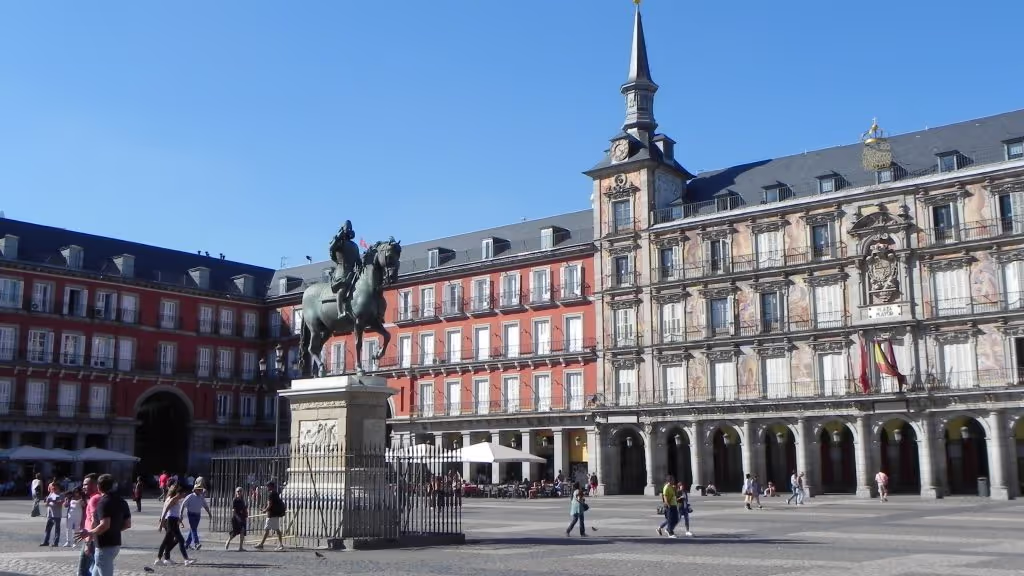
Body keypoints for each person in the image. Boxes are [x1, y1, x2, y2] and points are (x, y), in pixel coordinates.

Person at [77, 474, 131, 576]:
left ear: (98, 486)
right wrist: (114, 530)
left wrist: (89, 533)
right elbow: (127, 524)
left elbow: (104, 525)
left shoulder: (103, 502)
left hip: (103, 546)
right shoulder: (122, 501)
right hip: (115, 544)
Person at [329, 220, 362, 320]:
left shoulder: (355, 246)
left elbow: (358, 260)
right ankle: (340, 312)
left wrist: (360, 267)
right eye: (347, 229)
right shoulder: (339, 244)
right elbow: (331, 249)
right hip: (341, 273)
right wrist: (337, 237)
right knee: (342, 290)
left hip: (352, 273)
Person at [156, 486, 193, 565]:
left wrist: (179, 520)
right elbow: (166, 510)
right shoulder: (173, 499)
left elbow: (174, 512)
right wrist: (161, 523)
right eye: (183, 493)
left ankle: (160, 558)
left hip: (173, 521)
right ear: (179, 493)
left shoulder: (175, 499)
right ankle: (186, 559)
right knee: (179, 540)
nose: (184, 495)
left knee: (168, 540)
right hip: (171, 521)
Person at [77, 473, 100, 576]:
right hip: (95, 539)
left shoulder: (95, 499)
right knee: (94, 570)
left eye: (86, 484)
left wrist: (88, 543)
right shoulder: (98, 497)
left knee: (83, 572)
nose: (83, 487)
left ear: (96, 485)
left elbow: (93, 521)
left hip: (92, 539)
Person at [255, 482, 286, 551]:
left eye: (267, 486)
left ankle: (262, 544)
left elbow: (270, 505)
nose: (267, 488)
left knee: (268, 529)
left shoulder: (271, 494)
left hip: (271, 514)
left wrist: (264, 510)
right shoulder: (276, 493)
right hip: (275, 514)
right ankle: (263, 544)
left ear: (271, 486)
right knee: (275, 529)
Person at [181, 484, 211, 550]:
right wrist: (181, 515)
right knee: (194, 529)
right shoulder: (190, 496)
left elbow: (205, 506)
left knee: (193, 529)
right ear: (195, 490)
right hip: (191, 514)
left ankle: (186, 544)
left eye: (201, 489)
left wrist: (209, 513)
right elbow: (183, 505)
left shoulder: (201, 497)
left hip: (198, 514)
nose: (200, 490)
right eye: (199, 489)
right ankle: (196, 543)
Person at [224, 487, 249, 551]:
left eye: (240, 491)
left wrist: (245, 513)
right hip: (236, 518)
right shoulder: (234, 500)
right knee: (235, 532)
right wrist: (237, 517)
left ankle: (240, 547)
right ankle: (228, 541)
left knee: (242, 531)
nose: (239, 492)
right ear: (236, 492)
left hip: (242, 517)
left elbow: (244, 508)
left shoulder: (242, 500)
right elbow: (233, 510)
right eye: (238, 491)